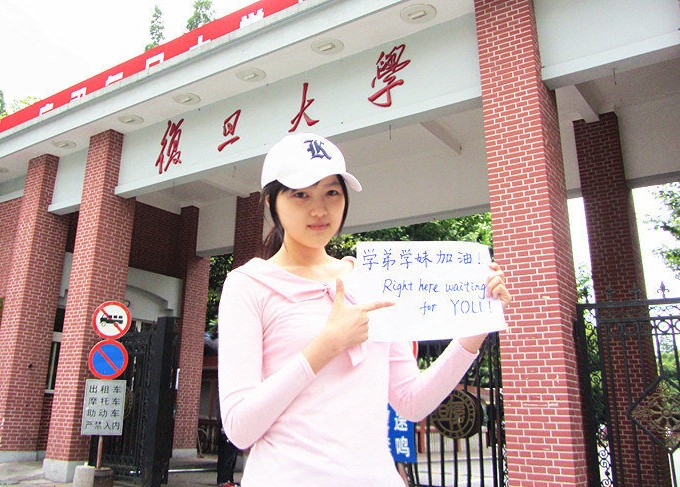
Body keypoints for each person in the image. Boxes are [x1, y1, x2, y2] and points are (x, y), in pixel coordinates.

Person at [218, 132, 511, 486]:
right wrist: (326, 346)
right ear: (271, 202)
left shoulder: (372, 280)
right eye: (300, 194)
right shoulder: (249, 284)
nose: (319, 209)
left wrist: (473, 332)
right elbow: (239, 428)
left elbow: (411, 401)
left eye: (331, 192)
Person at [216, 401, 239, 487]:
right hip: (226, 430)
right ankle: (223, 480)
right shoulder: (225, 401)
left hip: (230, 429)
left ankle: (229, 479)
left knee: (231, 457)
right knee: (226, 456)